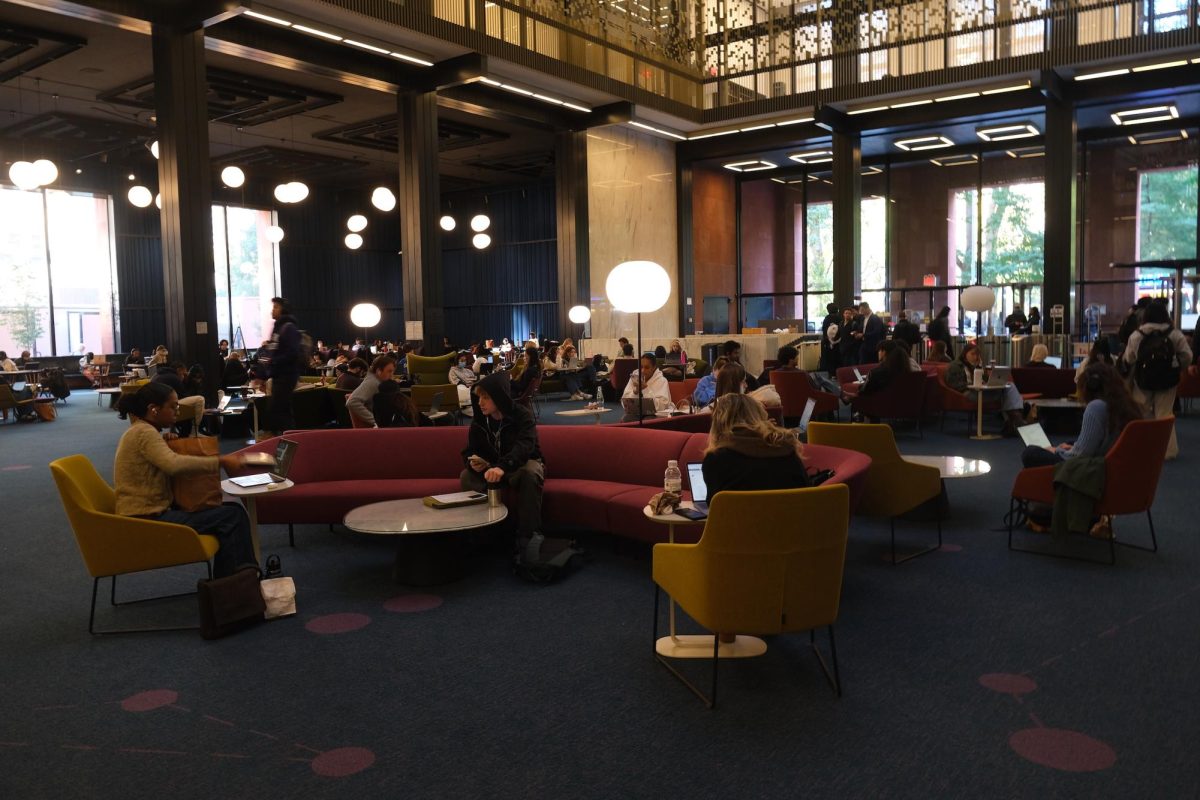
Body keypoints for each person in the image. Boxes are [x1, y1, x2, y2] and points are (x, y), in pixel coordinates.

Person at [113, 382, 257, 578]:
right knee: (232, 517)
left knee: (233, 511)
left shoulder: (142, 430)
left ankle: (231, 585)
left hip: (146, 512)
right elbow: (174, 465)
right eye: (173, 407)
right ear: (153, 409)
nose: (177, 411)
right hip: (148, 518)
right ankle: (234, 587)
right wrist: (220, 461)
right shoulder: (144, 433)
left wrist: (166, 442)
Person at [460, 371, 544, 546]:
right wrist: (472, 462)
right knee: (466, 476)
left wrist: (503, 466)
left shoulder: (522, 415)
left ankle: (528, 535)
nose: (480, 402)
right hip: (493, 468)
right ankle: (482, 532)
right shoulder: (479, 422)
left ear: (499, 397)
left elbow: (525, 447)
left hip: (519, 464)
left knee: (531, 471)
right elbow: (469, 450)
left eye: (485, 397)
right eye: (479, 398)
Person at [1021, 362, 1140, 469]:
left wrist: (1056, 451)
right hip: (1110, 462)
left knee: (1030, 453)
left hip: (1092, 469)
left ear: (1090, 386)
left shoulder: (1096, 407)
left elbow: (1079, 457)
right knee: (1070, 442)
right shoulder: (1125, 405)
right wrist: (1069, 447)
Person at [1122, 300, 1191, 459]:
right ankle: (1169, 451)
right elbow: (1187, 355)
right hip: (1167, 380)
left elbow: (1129, 358)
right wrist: (1176, 366)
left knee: (1143, 413)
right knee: (1165, 414)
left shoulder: (1137, 335)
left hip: (1143, 380)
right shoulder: (1174, 334)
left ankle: (1145, 448)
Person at [945, 343, 1026, 435]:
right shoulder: (955, 365)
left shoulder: (975, 366)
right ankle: (1015, 420)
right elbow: (953, 383)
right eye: (972, 354)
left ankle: (1013, 420)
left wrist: (981, 368)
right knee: (1006, 394)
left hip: (980, 391)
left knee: (1009, 386)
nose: (975, 357)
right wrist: (971, 385)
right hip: (967, 393)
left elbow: (985, 380)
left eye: (977, 354)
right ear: (965, 354)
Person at [263, 297, 302, 435]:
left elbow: (292, 353)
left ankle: (288, 440)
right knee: (282, 410)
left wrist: (273, 361)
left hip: (286, 375)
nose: (272, 310)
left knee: (277, 410)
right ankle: (289, 439)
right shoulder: (278, 327)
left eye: (276, 307)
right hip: (279, 375)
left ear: (283, 310)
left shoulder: (288, 327)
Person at [151, 361, 205, 435]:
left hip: (156, 407)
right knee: (200, 399)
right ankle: (194, 433)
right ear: (179, 370)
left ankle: (173, 430)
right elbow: (182, 397)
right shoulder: (174, 378)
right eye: (183, 374)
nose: (184, 377)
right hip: (163, 406)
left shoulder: (158, 375)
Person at [347, 354, 398, 428]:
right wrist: (375, 421)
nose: (391, 375)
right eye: (389, 371)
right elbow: (352, 402)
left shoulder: (376, 380)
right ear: (378, 371)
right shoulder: (372, 382)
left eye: (393, 372)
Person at [621, 353, 672, 421]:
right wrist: (635, 391)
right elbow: (624, 401)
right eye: (641, 367)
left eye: (647, 367)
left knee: (648, 420)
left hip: (655, 414)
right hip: (636, 413)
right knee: (626, 419)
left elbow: (663, 406)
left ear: (654, 367)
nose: (643, 371)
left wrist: (645, 389)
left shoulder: (662, 381)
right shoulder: (634, 377)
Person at [819, 302, 841, 374]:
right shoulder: (840, 318)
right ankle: (838, 373)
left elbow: (824, 330)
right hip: (838, 341)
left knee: (829, 358)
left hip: (828, 341)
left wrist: (827, 339)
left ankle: (831, 373)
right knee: (838, 357)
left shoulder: (827, 318)